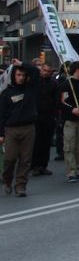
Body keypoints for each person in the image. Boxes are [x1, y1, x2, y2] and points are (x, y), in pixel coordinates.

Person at [0, 59, 40, 197]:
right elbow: (1, 115)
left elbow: (35, 71)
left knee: (25, 159)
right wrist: (1, 133)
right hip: (11, 130)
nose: (21, 78)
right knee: (9, 159)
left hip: (28, 128)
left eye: (23, 75)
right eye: (18, 75)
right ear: (13, 76)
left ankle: (20, 186)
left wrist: (22, 64)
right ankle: (7, 179)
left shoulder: (30, 88)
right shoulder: (6, 94)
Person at [59, 61, 79, 183]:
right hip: (70, 121)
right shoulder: (66, 85)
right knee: (69, 146)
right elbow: (62, 102)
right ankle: (71, 172)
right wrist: (72, 109)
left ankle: (77, 169)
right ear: (77, 70)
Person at [31, 62, 59, 176]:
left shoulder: (53, 84)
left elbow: (56, 100)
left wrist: (55, 115)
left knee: (46, 142)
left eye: (48, 71)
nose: (46, 73)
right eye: (44, 70)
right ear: (41, 70)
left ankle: (43, 165)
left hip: (49, 116)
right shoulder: (35, 82)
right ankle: (35, 166)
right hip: (36, 116)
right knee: (36, 142)